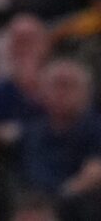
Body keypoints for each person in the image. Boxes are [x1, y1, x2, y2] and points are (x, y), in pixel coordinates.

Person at [16, 60, 101, 201]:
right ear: (42, 92)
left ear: (87, 92)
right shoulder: (32, 132)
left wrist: (60, 198)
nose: (62, 93)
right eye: (55, 85)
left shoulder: (96, 129)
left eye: (69, 85)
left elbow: (92, 175)